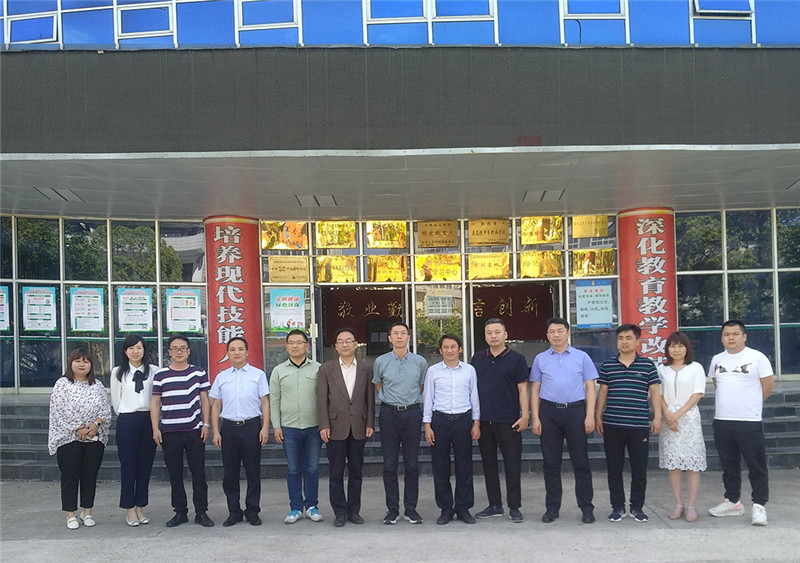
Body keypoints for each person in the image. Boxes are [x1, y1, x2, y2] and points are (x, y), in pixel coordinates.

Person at [530, 318, 598, 524]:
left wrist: (590, 415)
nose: (556, 335)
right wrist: (535, 417)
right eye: (552, 331)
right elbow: (534, 389)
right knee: (551, 463)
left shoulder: (582, 357)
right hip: (549, 413)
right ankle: (552, 508)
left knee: (581, 462)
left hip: (575, 412)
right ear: (547, 335)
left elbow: (591, 387)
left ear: (568, 333)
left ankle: (586, 508)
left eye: (560, 331)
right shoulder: (540, 359)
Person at [707, 320, 774, 526]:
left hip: (749, 421)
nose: (731, 338)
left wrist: (752, 405)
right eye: (726, 334)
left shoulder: (757, 357)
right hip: (723, 421)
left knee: (756, 465)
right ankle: (732, 501)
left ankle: (759, 505)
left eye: (735, 334)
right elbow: (717, 384)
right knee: (729, 465)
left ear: (744, 336)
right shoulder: (717, 359)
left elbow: (768, 385)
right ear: (722, 338)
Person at [595, 324, 662, 523]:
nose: (624, 342)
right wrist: (598, 416)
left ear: (637, 341)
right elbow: (603, 392)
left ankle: (637, 507)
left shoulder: (647, 365)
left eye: (628, 338)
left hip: (638, 425)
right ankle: (617, 507)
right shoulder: (608, 366)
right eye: (621, 338)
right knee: (614, 468)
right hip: (612, 425)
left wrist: (657, 417)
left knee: (639, 469)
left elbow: (655, 392)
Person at [150, 335, 214, 528]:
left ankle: (201, 512)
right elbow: (155, 402)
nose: (179, 352)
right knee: (175, 474)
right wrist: (155, 428)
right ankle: (180, 512)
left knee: (198, 473)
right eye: (175, 348)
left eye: (183, 348)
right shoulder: (161, 375)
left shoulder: (198, 373)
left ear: (189, 351)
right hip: (169, 431)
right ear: (169, 352)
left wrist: (206, 424)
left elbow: (205, 400)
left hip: (194, 430)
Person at [471, 318, 529, 523]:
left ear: (505, 334)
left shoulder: (517, 359)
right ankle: (494, 504)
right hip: (484, 420)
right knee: (489, 464)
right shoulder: (478, 358)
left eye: (497, 332)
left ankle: (514, 506)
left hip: (509, 420)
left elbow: (522, 389)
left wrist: (525, 415)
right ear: (485, 336)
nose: (493, 336)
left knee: (512, 464)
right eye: (489, 332)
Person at [317, 328, 375, 527]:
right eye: (340, 341)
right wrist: (324, 424)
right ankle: (340, 512)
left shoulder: (366, 368)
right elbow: (321, 399)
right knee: (336, 473)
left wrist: (370, 422)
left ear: (356, 344)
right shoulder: (326, 369)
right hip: (335, 427)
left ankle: (354, 511)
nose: (345, 344)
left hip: (359, 426)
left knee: (356, 473)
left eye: (349, 340)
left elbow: (370, 398)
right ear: (335, 346)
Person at [48, 348, 111, 530]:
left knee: (90, 475)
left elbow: (105, 408)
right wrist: (80, 427)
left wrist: (95, 424)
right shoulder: (62, 384)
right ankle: (70, 514)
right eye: (78, 361)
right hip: (69, 438)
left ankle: (87, 511)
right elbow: (61, 409)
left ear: (91, 365)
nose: (82, 364)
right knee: (70, 476)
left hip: (93, 438)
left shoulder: (97, 385)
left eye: (86, 361)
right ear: (71, 363)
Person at [210, 337, 270, 527]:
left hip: (251, 427)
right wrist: (215, 431)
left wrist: (265, 427)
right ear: (227, 353)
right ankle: (234, 512)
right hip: (228, 428)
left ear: (247, 352)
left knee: (253, 472)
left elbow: (265, 402)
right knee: (230, 473)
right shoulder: (221, 377)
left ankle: (252, 511)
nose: (237, 352)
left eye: (240, 349)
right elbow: (216, 405)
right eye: (233, 349)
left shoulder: (258, 375)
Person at [372, 322, 428, 525]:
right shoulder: (381, 361)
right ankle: (393, 510)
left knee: (412, 463)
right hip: (389, 414)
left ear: (409, 337)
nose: (399, 336)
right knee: (390, 464)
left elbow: (421, 385)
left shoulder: (420, 362)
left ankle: (411, 509)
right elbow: (378, 383)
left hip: (412, 413)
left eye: (403, 333)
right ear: (389, 338)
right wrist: (391, 398)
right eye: (395, 333)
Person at [423, 334, 481, 525]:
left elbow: (474, 397)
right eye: (445, 347)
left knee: (464, 466)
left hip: (463, 420)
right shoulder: (433, 371)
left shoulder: (469, 370)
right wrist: (427, 425)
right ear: (440, 351)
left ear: (460, 349)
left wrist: (476, 422)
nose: (449, 350)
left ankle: (463, 508)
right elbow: (428, 398)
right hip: (440, 420)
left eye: (453, 347)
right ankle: (446, 509)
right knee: (440, 466)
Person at [270, 330, 325, 524]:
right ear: (286, 347)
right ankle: (295, 508)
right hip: (289, 428)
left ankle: (311, 506)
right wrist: (276, 426)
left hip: (313, 427)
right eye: (291, 342)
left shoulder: (319, 369)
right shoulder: (278, 371)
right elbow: (274, 400)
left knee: (312, 468)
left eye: (299, 342)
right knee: (293, 469)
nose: (295, 346)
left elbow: (324, 398)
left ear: (307, 346)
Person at [657, 331, 707, 523]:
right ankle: (678, 504)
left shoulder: (696, 368)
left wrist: (678, 414)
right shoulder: (662, 369)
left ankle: (692, 505)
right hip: (668, 419)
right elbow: (658, 394)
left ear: (687, 348)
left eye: (680, 346)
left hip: (689, 419)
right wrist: (667, 416)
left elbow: (698, 393)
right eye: (673, 346)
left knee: (692, 464)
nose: (676, 350)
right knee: (674, 464)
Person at [110, 335, 159, 527]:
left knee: (145, 466)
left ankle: (140, 507)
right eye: (131, 348)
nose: (135, 351)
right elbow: (116, 402)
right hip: (127, 421)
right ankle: (129, 509)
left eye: (139, 347)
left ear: (144, 350)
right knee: (128, 466)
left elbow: (157, 398)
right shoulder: (118, 372)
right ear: (125, 351)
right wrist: (127, 414)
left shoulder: (154, 371)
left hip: (148, 420)